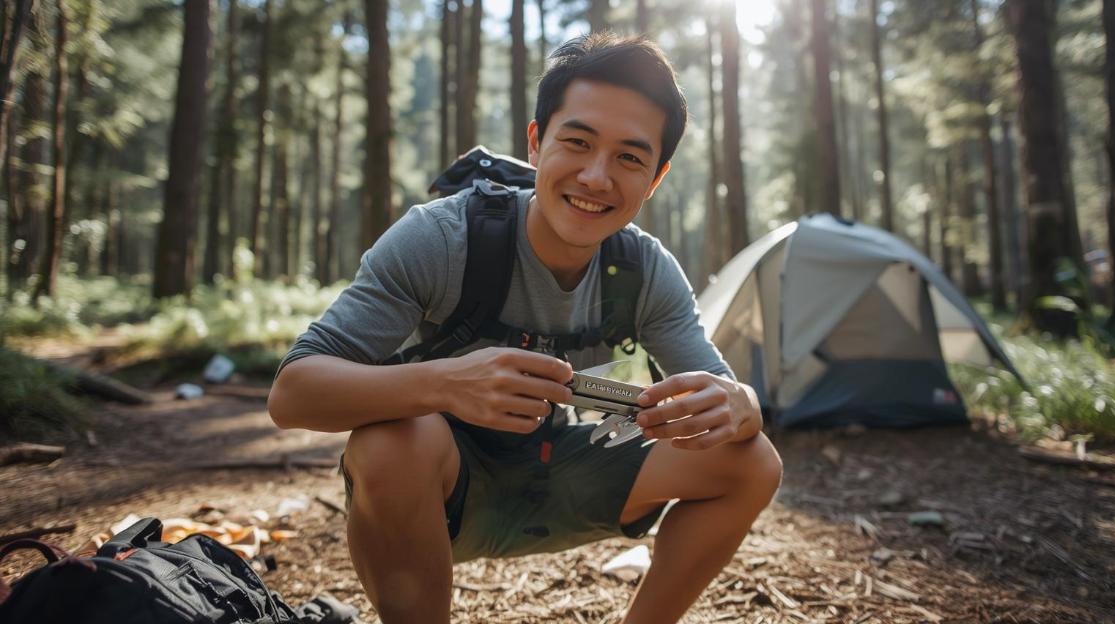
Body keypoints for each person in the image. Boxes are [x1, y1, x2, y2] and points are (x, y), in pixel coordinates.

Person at [268, 33, 783, 624]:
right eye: (578, 142)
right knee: (390, 443)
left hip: (565, 472)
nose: (595, 176)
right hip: (437, 489)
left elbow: (727, 397)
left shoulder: (645, 271)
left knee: (752, 460)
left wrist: (737, 402)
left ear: (656, 178)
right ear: (536, 144)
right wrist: (445, 385)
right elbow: (293, 392)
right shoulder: (441, 239)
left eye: (629, 158)